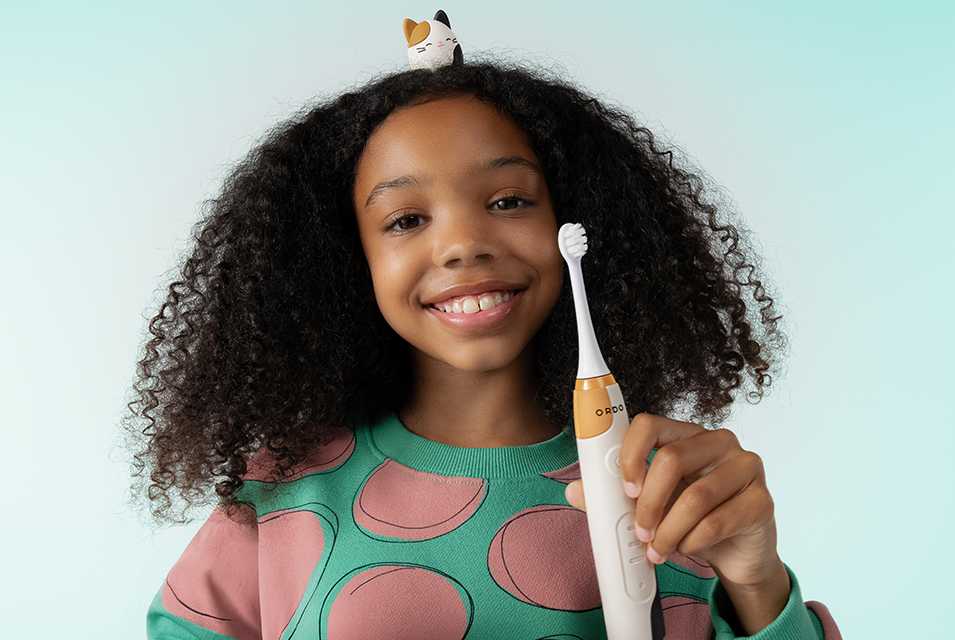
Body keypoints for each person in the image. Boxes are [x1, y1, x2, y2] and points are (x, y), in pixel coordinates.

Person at [127, 11, 841, 640]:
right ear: (350, 263)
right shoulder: (279, 494)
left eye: (507, 201)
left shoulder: (673, 500)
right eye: (406, 220)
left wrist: (756, 581)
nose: (464, 243)